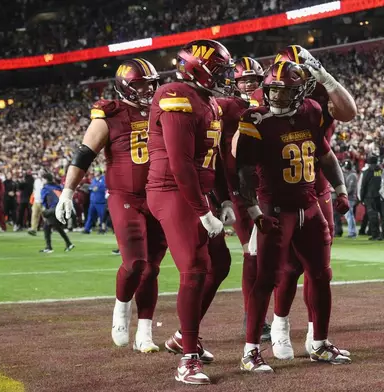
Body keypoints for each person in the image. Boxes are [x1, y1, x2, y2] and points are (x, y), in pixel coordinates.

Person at [236, 60, 351, 373]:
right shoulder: (255, 117)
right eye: (272, 90)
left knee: (321, 275)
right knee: (267, 279)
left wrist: (340, 188)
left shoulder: (311, 110)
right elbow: (243, 172)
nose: (276, 97)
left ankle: (320, 343)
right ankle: (250, 352)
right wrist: (255, 212)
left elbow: (325, 153)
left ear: (301, 92)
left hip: (310, 207)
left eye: (284, 92)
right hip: (274, 211)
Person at [56, 58, 168, 354]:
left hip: (160, 195)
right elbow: (83, 155)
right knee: (135, 264)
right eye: (140, 85)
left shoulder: (164, 110)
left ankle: (145, 330)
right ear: (125, 88)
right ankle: (121, 308)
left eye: (150, 84)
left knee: (152, 269)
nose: (147, 90)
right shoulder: (109, 114)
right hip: (125, 196)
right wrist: (68, 191)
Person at [145, 39, 235, 385]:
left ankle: (185, 335)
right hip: (171, 190)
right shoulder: (174, 95)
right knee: (195, 268)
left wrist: (224, 199)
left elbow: (215, 158)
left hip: (196, 190)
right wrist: (203, 210)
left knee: (221, 263)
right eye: (222, 69)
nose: (226, 76)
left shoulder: (207, 101)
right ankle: (188, 358)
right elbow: (180, 162)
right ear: (201, 67)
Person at [216, 56, 273, 342]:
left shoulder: (269, 105)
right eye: (244, 80)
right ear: (233, 83)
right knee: (253, 255)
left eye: (254, 79)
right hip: (240, 191)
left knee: (268, 255)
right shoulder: (227, 106)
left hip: (266, 189)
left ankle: (260, 316)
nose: (250, 84)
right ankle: (253, 318)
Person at [39, 173, 74, 253]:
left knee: (49, 227)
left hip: (53, 209)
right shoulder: (58, 186)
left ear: (45, 179)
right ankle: (68, 244)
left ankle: (50, 247)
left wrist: (45, 209)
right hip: (62, 208)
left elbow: (43, 201)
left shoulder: (45, 188)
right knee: (52, 227)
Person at [360, 155, 383, 240]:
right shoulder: (381, 171)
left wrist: (361, 198)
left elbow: (363, 185)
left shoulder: (367, 172)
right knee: (383, 215)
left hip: (370, 197)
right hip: (380, 196)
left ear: (369, 163)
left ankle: (375, 234)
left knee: (372, 216)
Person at [83, 167, 107, 234]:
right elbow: (91, 187)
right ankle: (87, 229)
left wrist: (97, 188)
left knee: (102, 217)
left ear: (100, 172)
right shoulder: (93, 180)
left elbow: (105, 187)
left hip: (101, 202)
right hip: (93, 201)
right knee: (90, 216)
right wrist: (91, 188)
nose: (95, 173)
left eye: (97, 171)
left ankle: (103, 229)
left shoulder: (104, 179)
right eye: (95, 171)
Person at [343, 160, 358, 238]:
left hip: (350, 198)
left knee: (349, 216)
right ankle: (352, 232)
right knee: (349, 215)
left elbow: (350, 189)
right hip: (348, 197)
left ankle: (352, 232)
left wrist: (342, 193)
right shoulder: (348, 174)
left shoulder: (352, 175)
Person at [28, 170, 44, 236]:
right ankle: (33, 229)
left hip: (43, 201)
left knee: (45, 216)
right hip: (36, 200)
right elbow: (34, 190)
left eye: (41, 173)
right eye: (39, 173)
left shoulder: (44, 181)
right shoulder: (36, 181)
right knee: (34, 215)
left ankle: (49, 228)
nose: (40, 174)